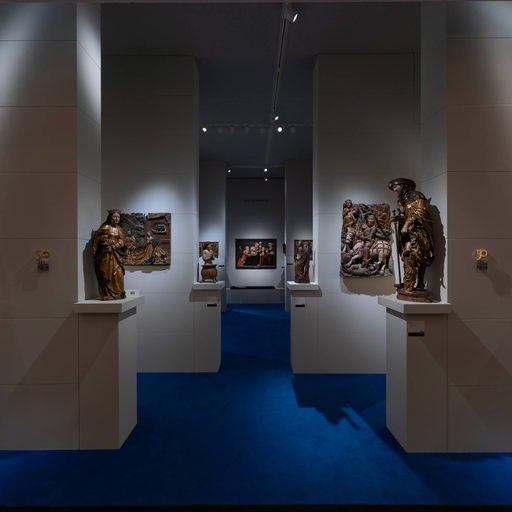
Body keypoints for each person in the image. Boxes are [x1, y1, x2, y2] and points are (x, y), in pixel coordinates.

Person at [388, 177, 434, 297]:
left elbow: (420, 211)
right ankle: (410, 285)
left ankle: (417, 284)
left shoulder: (418, 196)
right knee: (408, 256)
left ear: (403, 185)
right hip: (407, 232)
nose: (394, 189)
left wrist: (407, 224)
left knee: (419, 255)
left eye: (396, 186)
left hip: (418, 230)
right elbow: (405, 214)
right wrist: (399, 218)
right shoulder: (402, 200)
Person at [92, 209, 126, 300]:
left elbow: (122, 242)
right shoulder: (105, 227)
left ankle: (118, 292)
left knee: (118, 273)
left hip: (116, 255)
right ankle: (107, 293)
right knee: (106, 273)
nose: (117, 218)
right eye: (115, 216)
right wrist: (102, 239)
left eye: (118, 217)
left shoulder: (120, 229)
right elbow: (97, 238)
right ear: (110, 217)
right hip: (106, 254)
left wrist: (114, 246)